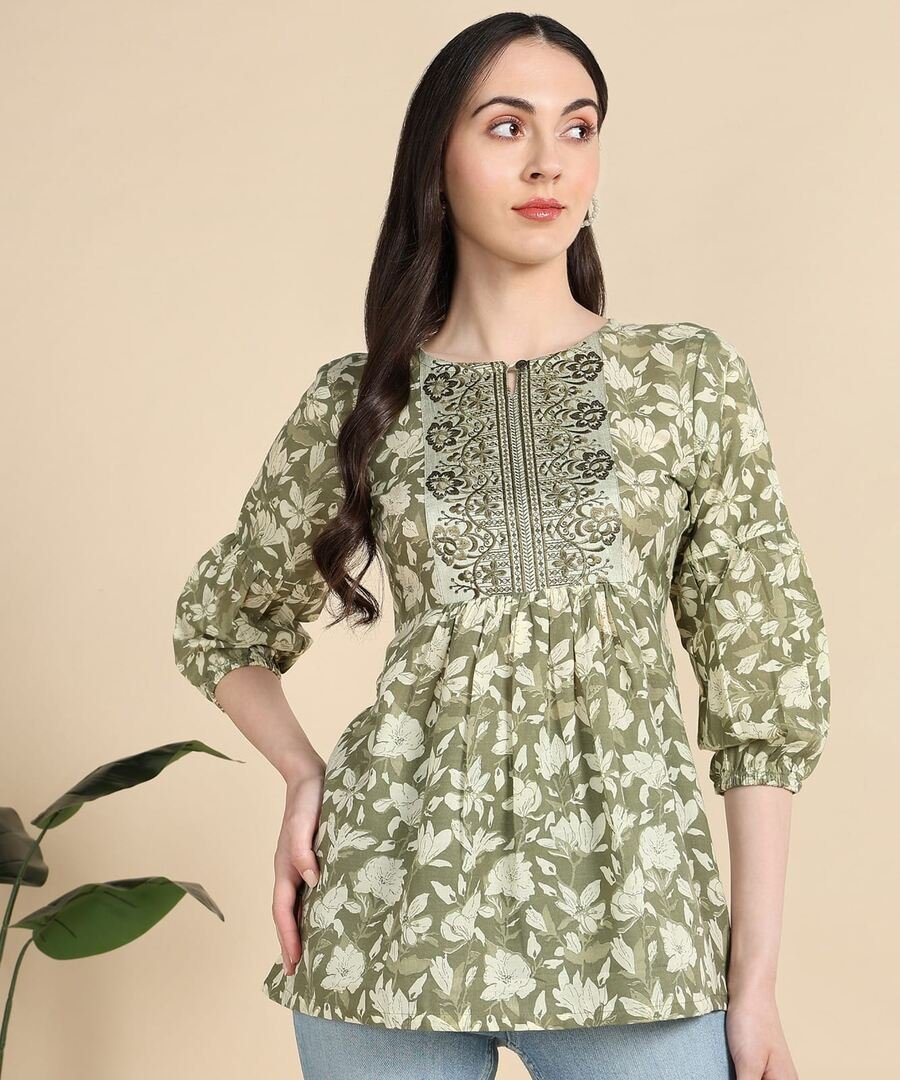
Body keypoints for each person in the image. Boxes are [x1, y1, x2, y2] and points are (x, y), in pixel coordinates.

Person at [172, 12, 830, 1080]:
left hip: (639, 934)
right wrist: (302, 774)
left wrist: (753, 986)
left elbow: (763, 687)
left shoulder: (689, 381)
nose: (547, 162)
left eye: (578, 127)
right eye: (507, 126)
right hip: (387, 922)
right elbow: (222, 627)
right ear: (436, 156)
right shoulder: (360, 399)